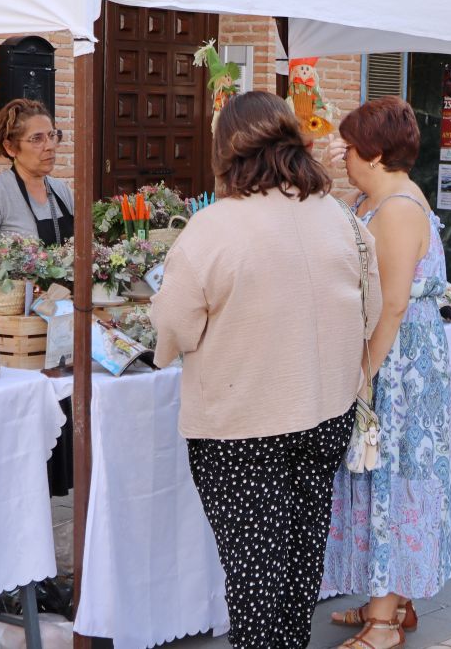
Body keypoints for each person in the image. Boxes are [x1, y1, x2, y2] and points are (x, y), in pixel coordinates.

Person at [150, 91, 382, 648]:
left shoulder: (213, 227)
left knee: (255, 576)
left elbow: (175, 325)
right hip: (326, 410)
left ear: (226, 150)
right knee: (299, 561)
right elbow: (369, 310)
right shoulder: (341, 219)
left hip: (243, 424)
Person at [321, 96, 451, 649]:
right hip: (395, 352)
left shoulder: (397, 208)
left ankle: (384, 621)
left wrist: (365, 374)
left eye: (348, 148)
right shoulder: (378, 196)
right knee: (382, 475)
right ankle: (392, 597)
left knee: (389, 477)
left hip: (399, 364)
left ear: (372, 153)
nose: (342, 157)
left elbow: (393, 302)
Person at [0, 98, 75, 245]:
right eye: (37, 139)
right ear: (10, 147)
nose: (50, 146)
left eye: (51, 135)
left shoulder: (61, 190)